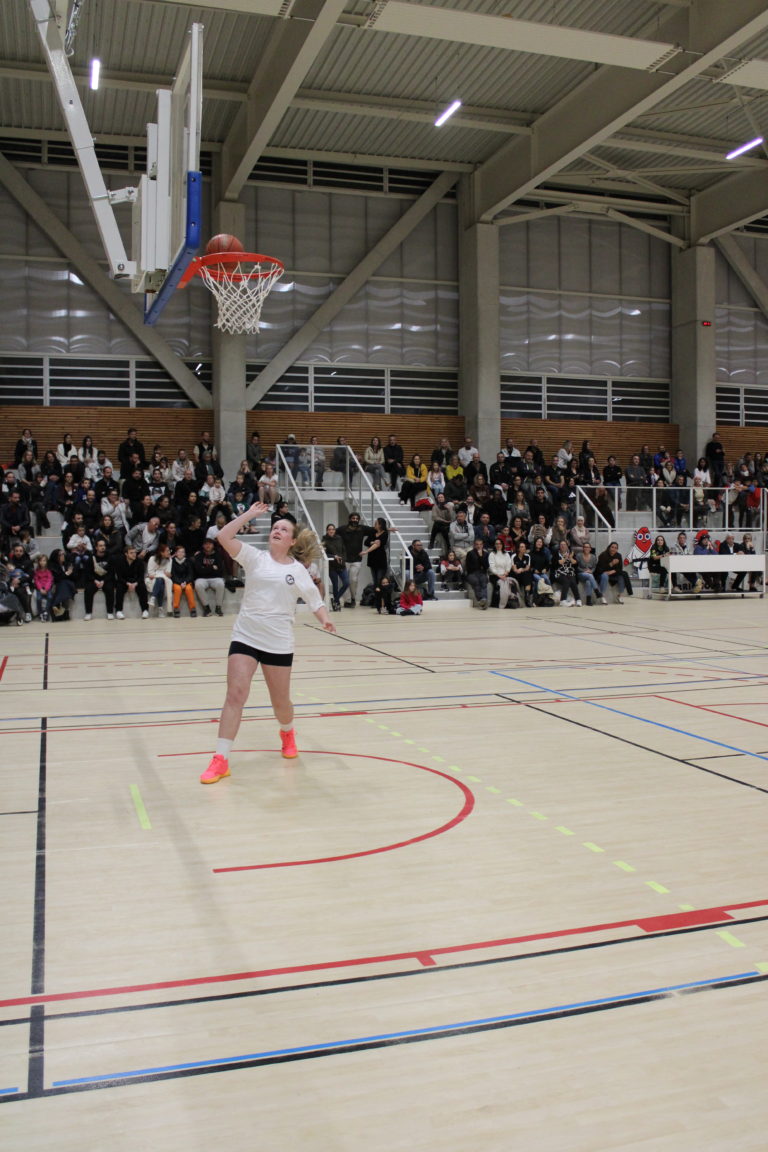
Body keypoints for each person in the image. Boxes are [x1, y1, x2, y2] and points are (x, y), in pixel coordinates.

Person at [200, 502, 335, 783]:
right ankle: (221, 759)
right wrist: (249, 515)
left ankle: (287, 731)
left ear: (292, 541)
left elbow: (314, 600)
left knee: (280, 702)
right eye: (275, 527)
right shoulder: (254, 557)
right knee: (235, 695)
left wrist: (324, 619)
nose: (277, 530)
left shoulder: (298, 571)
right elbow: (223, 536)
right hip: (246, 636)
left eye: (283, 529)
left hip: (278, 642)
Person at [82, 538, 114, 620]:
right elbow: (88, 573)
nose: (103, 547)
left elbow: (111, 573)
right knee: (88, 590)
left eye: (104, 545)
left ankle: (110, 612)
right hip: (94, 580)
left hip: (106, 580)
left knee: (110, 589)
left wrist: (104, 581)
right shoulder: (91, 558)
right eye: (100, 546)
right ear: (96, 547)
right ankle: (88, 613)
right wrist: (95, 580)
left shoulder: (110, 557)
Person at [193, 538, 226, 617]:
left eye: (210, 544)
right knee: (198, 585)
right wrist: (212, 567)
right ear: (203, 546)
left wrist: (205, 569)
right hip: (202, 578)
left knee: (221, 584)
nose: (208, 545)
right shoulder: (199, 556)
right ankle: (206, 608)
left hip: (216, 578)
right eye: (206, 544)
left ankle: (218, 608)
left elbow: (220, 571)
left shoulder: (218, 555)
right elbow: (198, 571)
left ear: (213, 545)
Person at [361, 517, 390, 599]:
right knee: (375, 580)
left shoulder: (385, 534)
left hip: (380, 559)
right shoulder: (373, 532)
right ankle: (376, 599)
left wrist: (366, 551)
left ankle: (381, 599)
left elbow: (378, 545)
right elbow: (366, 542)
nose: (374, 524)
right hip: (372, 559)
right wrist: (373, 542)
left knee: (379, 580)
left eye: (376, 523)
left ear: (380, 525)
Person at [322, 523, 349, 611]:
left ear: (335, 530)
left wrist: (343, 560)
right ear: (327, 531)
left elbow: (344, 550)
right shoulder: (324, 540)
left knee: (346, 583)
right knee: (335, 585)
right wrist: (334, 557)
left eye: (333, 529)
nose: (331, 531)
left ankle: (335, 600)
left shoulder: (339, 538)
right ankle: (336, 604)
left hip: (341, 565)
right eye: (329, 529)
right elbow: (324, 554)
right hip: (332, 566)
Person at [488, 537, 517, 608]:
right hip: (495, 575)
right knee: (502, 584)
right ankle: (502, 603)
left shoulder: (506, 554)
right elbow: (492, 567)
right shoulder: (492, 554)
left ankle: (511, 600)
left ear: (502, 545)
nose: (498, 545)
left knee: (512, 583)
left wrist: (506, 573)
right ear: (494, 545)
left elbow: (509, 564)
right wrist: (499, 576)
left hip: (505, 574)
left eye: (500, 544)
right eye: (497, 544)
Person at [146, 543, 173, 616]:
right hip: (151, 579)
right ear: (161, 552)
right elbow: (150, 573)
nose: (169, 552)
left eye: (169, 551)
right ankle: (160, 608)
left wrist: (161, 574)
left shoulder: (170, 560)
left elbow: (168, 573)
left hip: (163, 579)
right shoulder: (152, 559)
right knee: (160, 581)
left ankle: (153, 598)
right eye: (167, 551)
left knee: (161, 580)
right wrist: (161, 573)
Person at [550, 541, 581, 606]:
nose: (563, 546)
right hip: (559, 573)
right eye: (561, 544)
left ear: (567, 546)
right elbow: (557, 563)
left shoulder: (571, 553)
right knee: (567, 580)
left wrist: (570, 558)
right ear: (559, 546)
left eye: (564, 544)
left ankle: (578, 599)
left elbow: (575, 563)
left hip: (570, 573)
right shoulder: (556, 554)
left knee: (572, 579)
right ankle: (563, 600)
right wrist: (566, 558)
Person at [171, 545, 197, 618]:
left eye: (182, 552)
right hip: (176, 581)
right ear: (176, 553)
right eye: (179, 552)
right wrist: (180, 583)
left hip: (187, 581)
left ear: (184, 553)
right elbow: (173, 575)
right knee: (177, 589)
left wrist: (185, 582)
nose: (181, 553)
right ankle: (176, 608)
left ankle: (193, 609)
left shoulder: (188, 561)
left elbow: (190, 574)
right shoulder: (172, 562)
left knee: (189, 589)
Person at [464, 538, 489, 608]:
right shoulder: (470, 553)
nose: (479, 546)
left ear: (482, 545)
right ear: (474, 545)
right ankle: (482, 599)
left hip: (482, 573)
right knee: (476, 582)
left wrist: (481, 557)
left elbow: (486, 566)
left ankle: (483, 600)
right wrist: (479, 566)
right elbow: (468, 567)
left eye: (480, 544)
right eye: (477, 544)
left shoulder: (486, 554)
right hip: (472, 573)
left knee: (483, 581)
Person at [32, 554, 54, 622]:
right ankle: (40, 613)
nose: (42, 562)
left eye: (44, 561)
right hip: (40, 588)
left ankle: (46, 612)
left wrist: (46, 589)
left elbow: (49, 580)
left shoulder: (48, 571)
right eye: (41, 561)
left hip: (47, 588)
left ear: (47, 562)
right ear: (38, 562)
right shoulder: (37, 571)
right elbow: (36, 580)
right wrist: (40, 589)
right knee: (39, 599)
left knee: (50, 597)